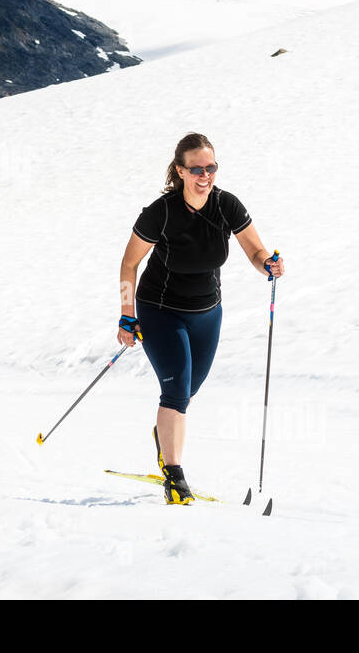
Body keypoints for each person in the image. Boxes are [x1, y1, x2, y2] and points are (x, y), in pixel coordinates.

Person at [117, 133, 284, 505]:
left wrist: (267, 266)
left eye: (211, 167)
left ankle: (165, 434)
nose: (205, 175)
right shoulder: (161, 212)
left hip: (208, 313)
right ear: (181, 171)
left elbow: (255, 250)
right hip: (160, 311)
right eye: (196, 169)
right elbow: (130, 263)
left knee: (187, 392)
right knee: (175, 392)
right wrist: (127, 315)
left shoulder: (227, 206)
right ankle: (174, 478)